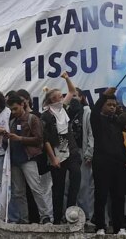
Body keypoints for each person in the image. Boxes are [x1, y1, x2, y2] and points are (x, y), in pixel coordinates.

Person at [3, 93, 53, 224]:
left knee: (36, 188)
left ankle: (45, 216)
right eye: (11, 110)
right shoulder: (12, 121)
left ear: (22, 105)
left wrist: (20, 139)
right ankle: (23, 219)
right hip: (14, 160)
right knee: (18, 192)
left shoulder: (32, 119)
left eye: (15, 108)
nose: (14, 112)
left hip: (28, 159)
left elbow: (39, 140)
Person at [41, 72, 82, 224]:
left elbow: (72, 91)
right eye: (59, 96)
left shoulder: (63, 109)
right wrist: (53, 158)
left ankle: (70, 211)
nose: (62, 97)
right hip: (56, 153)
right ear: (52, 99)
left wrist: (66, 78)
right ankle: (57, 219)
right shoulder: (45, 116)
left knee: (76, 176)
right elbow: (45, 140)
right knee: (58, 187)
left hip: (71, 150)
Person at [90, 87, 126, 235]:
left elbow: (122, 143)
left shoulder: (118, 123)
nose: (112, 108)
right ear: (103, 106)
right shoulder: (97, 120)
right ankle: (100, 226)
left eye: (114, 105)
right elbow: (94, 111)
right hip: (102, 162)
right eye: (109, 105)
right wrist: (104, 95)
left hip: (118, 164)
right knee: (101, 195)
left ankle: (120, 227)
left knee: (118, 195)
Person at [78, 91, 95, 223]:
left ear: (81, 97)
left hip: (83, 152)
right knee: (71, 186)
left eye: (75, 96)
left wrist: (89, 152)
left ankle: (87, 216)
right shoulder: (67, 112)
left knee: (85, 185)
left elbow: (91, 133)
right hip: (70, 153)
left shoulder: (87, 112)